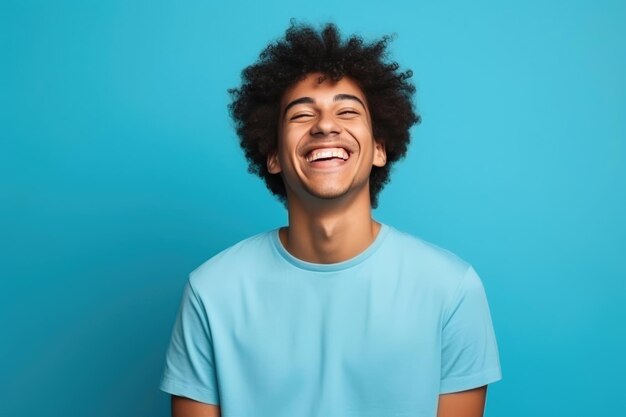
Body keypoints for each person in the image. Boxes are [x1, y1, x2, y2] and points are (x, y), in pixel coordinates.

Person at [159, 22, 502, 417]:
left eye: (347, 111)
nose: (325, 125)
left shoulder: (452, 290)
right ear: (272, 155)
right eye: (302, 115)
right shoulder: (210, 293)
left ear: (378, 148)